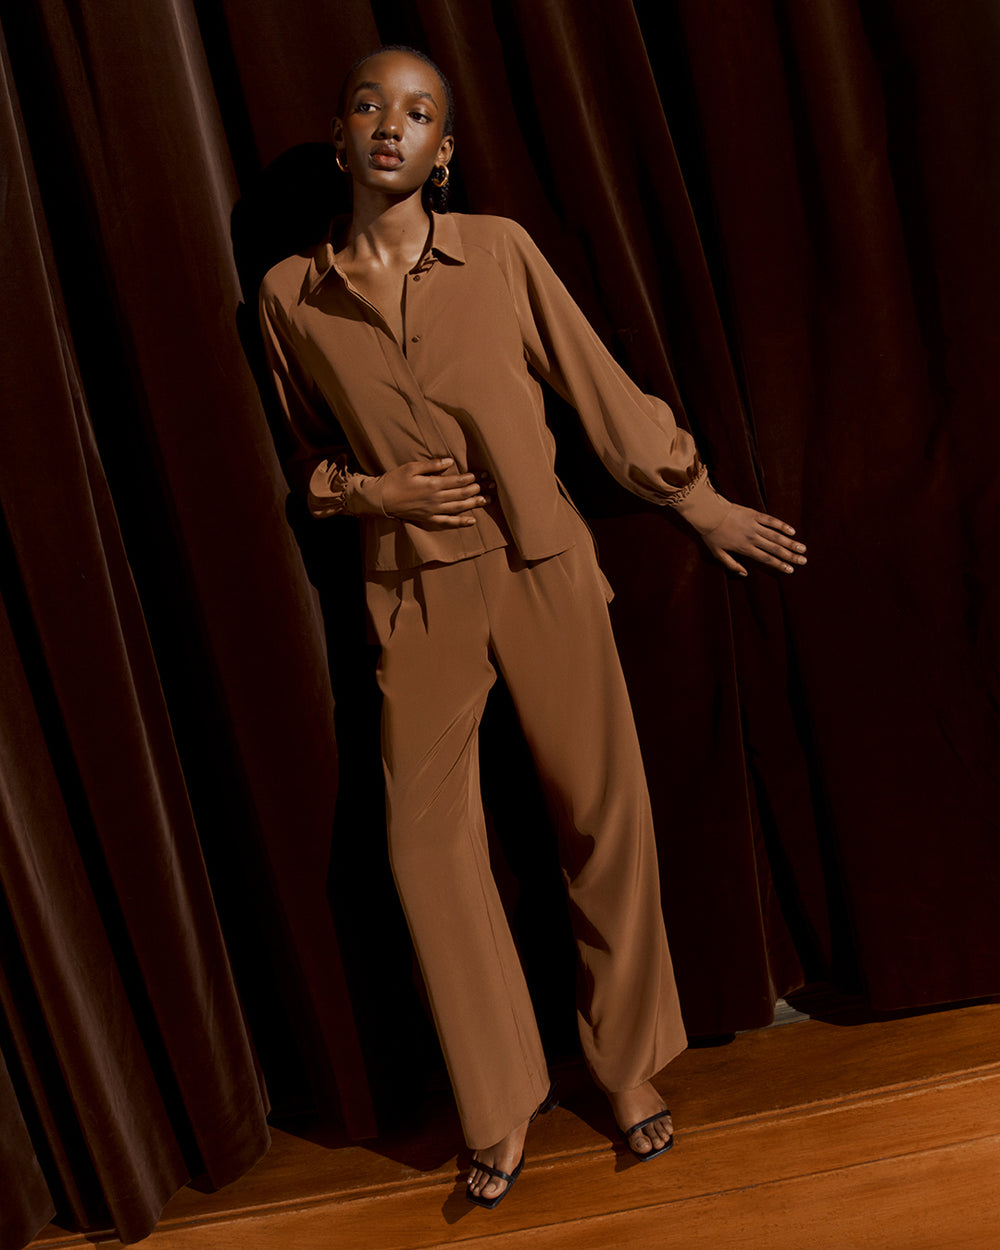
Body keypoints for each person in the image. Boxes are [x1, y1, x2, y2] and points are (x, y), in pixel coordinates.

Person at [259, 44, 807, 1208]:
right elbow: (304, 454)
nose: (391, 126)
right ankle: (498, 1097)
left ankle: (624, 1070)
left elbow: (593, 382)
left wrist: (691, 493)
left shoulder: (498, 252)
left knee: (602, 817)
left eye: (417, 113)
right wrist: (372, 493)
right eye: (368, 104)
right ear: (343, 134)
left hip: (541, 563)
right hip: (411, 592)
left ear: (443, 152)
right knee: (422, 845)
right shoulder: (287, 295)